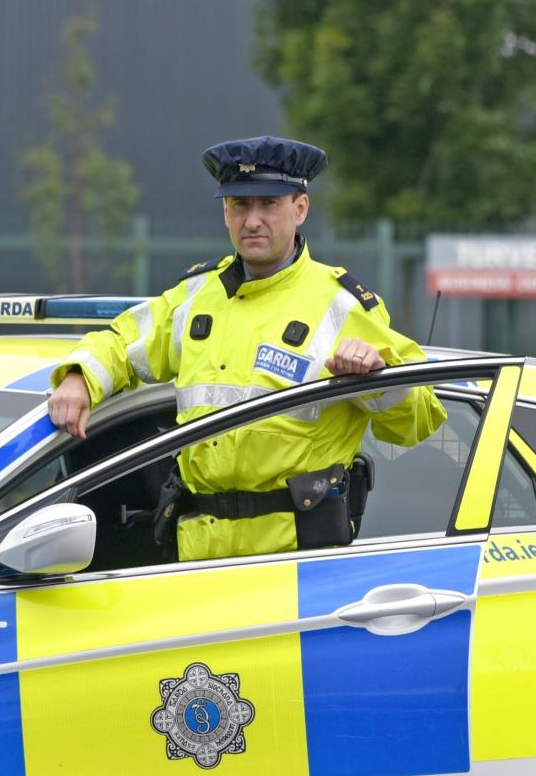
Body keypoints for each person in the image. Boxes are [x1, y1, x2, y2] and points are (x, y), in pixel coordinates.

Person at [48, 136, 446, 561]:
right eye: (240, 205)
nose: (252, 220)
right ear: (224, 212)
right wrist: (79, 378)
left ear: (300, 209)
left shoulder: (341, 305)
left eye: (268, 204)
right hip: (196, 555)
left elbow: (418, 421)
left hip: (294, 558)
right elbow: (122, 341)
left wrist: (375, 378)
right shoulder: (195, 295)